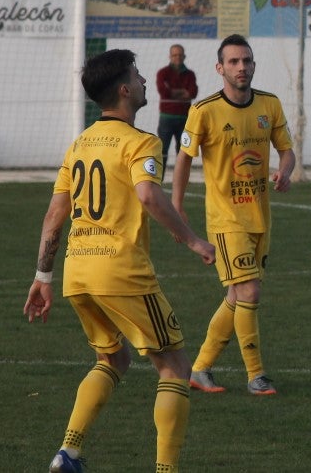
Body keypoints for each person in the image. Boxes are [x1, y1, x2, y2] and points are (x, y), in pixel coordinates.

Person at [24, 49, 215, 473]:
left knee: (113, 359)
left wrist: (43, 276)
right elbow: (148, 195)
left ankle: (68, 452)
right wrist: (192, 241)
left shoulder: (79, 144)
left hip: (78, 271)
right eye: (138, 75)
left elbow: (55, 213)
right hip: (120, 271)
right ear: (125, 90)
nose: (145, 80)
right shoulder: (141, 142)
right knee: (175, 367)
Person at [171, 33, 297, 395]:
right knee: (250, 291)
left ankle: (200, 369)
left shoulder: (269, 105)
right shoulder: (204, 109)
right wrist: (178, 206)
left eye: (247, 61)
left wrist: (284, 171)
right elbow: (183, 160)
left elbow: (287, 150)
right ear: (220, 68)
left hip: (260, 217)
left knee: (236, 297)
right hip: (226, 220)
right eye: (234, 62)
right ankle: (256, 375)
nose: (242, 67)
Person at [156, 44, 198, 163]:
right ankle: (159, 181)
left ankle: (180, 180)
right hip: (166, 118)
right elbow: (163, 91)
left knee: (183, 152)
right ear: (170, 56)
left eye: (180, 55)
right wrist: (183, 92)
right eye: (174, 55)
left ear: (184, 56)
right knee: (162, 151)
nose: (177, 57)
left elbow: (193, 93)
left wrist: (172, 91)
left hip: (185, 118)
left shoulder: (190, 74)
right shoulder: (162, 73)